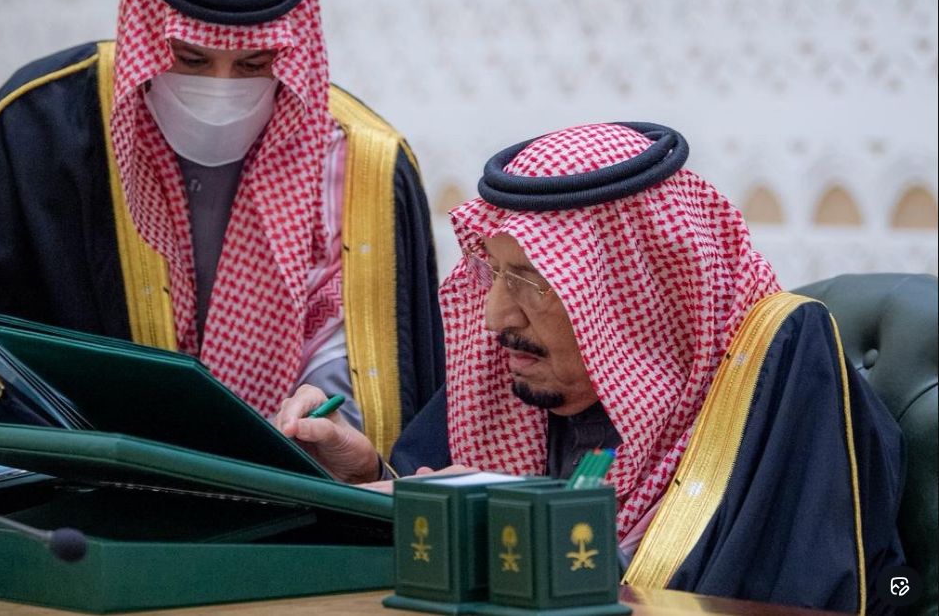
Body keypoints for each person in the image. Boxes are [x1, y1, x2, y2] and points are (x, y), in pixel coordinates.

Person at [0, 0, 444, 454]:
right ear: (146, 34)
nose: (221, 88)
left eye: (253, 64)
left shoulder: (362, 162)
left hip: (305, 495)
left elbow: (395, 399)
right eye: (191, 58)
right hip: (87, 497)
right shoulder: (43, 124)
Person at [276, 121, 905, 614]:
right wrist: (366, 477)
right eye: (493, 273)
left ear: (639, 293)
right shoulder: (513, 369)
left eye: (531, 281)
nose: (495, 317)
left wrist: (496, 521)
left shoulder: (781, 365)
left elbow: (777, 594)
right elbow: (435, 499)